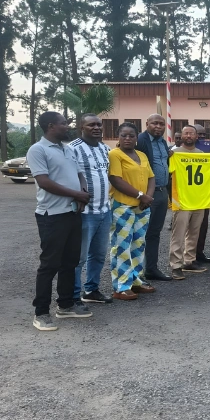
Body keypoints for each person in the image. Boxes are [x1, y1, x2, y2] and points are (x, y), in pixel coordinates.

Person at [27, 111, 92, 330]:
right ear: (51, 126)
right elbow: (44, 182)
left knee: (70, 261)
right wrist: (75, 195)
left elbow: (80, 173)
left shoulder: (69, 149)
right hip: (51, 216)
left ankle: (65, 305)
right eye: (64, 124)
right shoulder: (38, 150)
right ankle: (41, 313)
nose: (68, 127)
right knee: (49, 264)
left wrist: (82, 192)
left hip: (73, 212)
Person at [108, 122, 156, 300]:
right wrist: (140, 195)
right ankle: (121, 286)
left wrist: (147, 198)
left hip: (142, 207)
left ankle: (136, 280)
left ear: (137, 138)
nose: (127, 138)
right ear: (118, 137)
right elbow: (116, 179)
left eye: (131, 135)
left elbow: (151, 177)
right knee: (121, 246)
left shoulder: (141, 155)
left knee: (138, 245)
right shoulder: (115, 155)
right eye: (124, 135)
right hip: (122, 206)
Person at [70, 113, 113, 304]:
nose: (96, 128)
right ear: (82, 128)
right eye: (91, 125)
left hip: (104, 210)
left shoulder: (105, 149)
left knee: (99, 255)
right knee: (78, 257)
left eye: (99, 125)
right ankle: (72, 295)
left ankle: (92, 290)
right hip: (85, 213)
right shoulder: (72, 149)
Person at [169, 125, 210, 279]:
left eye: (191, 133)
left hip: (198, 200)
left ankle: (189, 260)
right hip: (182, 200)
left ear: (196, 137)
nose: (188, 136)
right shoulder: (174, 153)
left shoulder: (201, 154)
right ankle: (175, 265)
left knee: (194, 232)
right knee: (178, 234)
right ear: (181, 136)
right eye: (186, 133)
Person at [136, 114, 172, 281]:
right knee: (139, 233)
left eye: (161, 124)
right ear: (147, 123)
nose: (158, 127)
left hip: (162, 192)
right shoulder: (141, 140)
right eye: (154, 123)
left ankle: (151, 268)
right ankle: (135, 273)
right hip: (146, 194)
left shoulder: (162, 142)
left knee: (154, 233)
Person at [192, 123, 210, 264]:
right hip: (188, 194)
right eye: (198, 134)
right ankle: (189, 255)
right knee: (189, 227)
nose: (200, 136)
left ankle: (199, 253)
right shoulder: (179, 151)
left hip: (205, 193)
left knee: (203, 225)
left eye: (203, 134)